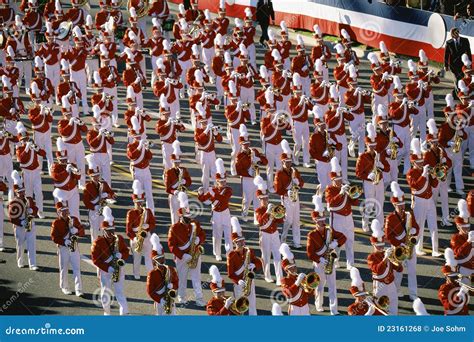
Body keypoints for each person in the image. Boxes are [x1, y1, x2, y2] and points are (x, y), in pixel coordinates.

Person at [146, 234, 179, 316]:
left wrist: (173, 286)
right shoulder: (152, 274)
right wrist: (160, 300)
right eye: (158, 259)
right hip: (159, 302)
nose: (161, 261)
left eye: (162, 258)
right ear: (154, 261)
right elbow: (150, 291)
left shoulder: (170, 269)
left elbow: (176, 282)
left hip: (170, 299)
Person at [444, 28, 472, 92]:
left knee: (462, 77)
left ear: (457, 33)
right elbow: (446, 55)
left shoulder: (465, 40)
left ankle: (462, 91)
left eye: (452, 33)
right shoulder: (449, 42)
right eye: (451, 33)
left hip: (463, 64)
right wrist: (446, 65)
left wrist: (469, 63)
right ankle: (458, 92)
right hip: (453, 64)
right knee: (457, 78)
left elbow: (468, 52)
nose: (451, 35)